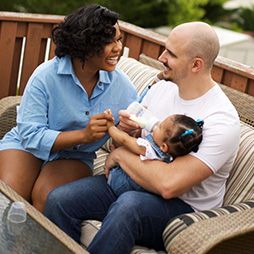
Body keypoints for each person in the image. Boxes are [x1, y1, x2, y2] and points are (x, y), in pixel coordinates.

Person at [44, 21, 240, 254]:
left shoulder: (220, 119)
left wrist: (120, 155)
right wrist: (127, 133)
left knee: (129, 207)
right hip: (133, 181)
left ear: (196, 64)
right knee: (60, 200)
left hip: (183, 208)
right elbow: (130, 143)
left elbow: (169, 185)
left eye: (172, 54)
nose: (162, 57)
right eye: (165, 48)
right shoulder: (161, 89)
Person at [0, 4, 137, 212]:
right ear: (85, 43)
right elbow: (30, 135)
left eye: (118, 39)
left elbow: (131, 135)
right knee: (9, 196)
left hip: (75, 156)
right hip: (26, 144)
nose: (118, 47)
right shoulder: (45, 76)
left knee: (46, 198)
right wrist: (84, 135)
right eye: (108, 40)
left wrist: (129, 131)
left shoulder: (124, 88)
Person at [105, 109, 204, 196]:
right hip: (144, 190)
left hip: (120, 183)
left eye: (160, 127)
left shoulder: (147, 148)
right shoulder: (169, 157)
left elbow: (124, 140)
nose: (156, 125)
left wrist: (110, 127)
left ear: (164, 147)